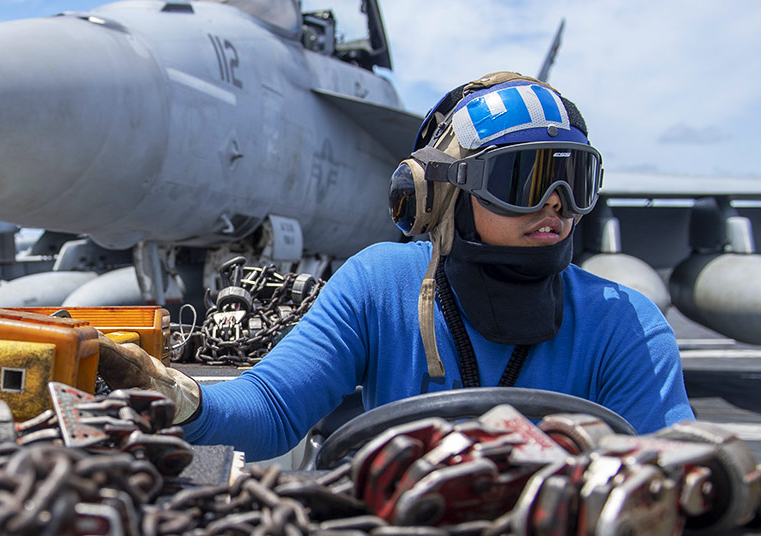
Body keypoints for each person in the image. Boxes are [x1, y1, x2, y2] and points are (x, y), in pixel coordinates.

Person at [97, 72, 694, 461]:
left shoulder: (625, 324)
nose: (557, 204)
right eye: (526, 179)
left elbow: (672, 466)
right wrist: (175, 395)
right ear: (441, 195)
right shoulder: (380, 284)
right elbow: (274, 409)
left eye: (574, 177)